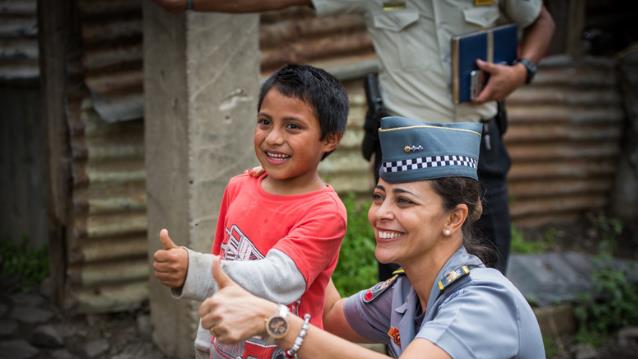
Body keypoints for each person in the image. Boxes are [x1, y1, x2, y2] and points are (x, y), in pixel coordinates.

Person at [199, 116, 565, 359]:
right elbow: (328, 316)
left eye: (403, 201)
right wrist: (298, 214)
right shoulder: (404, 293)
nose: (380, 213)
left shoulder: (484, 302)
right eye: (379, 196)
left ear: (454, 218)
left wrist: (275, 322)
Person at [150, 0, 556, 276]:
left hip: (477, 146)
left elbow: (542, 20)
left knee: (486, 268)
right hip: (407, 149)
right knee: (399, 275)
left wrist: (523, 70)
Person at [152, 64, 349, 359]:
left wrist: (194, 270)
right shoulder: (238, 188)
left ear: (330, 139)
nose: (273, 138)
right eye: (264, 122)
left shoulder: (325, 213)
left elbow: (279, 279)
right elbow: (221, 283)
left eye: (293, 126)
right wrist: (203, 357)